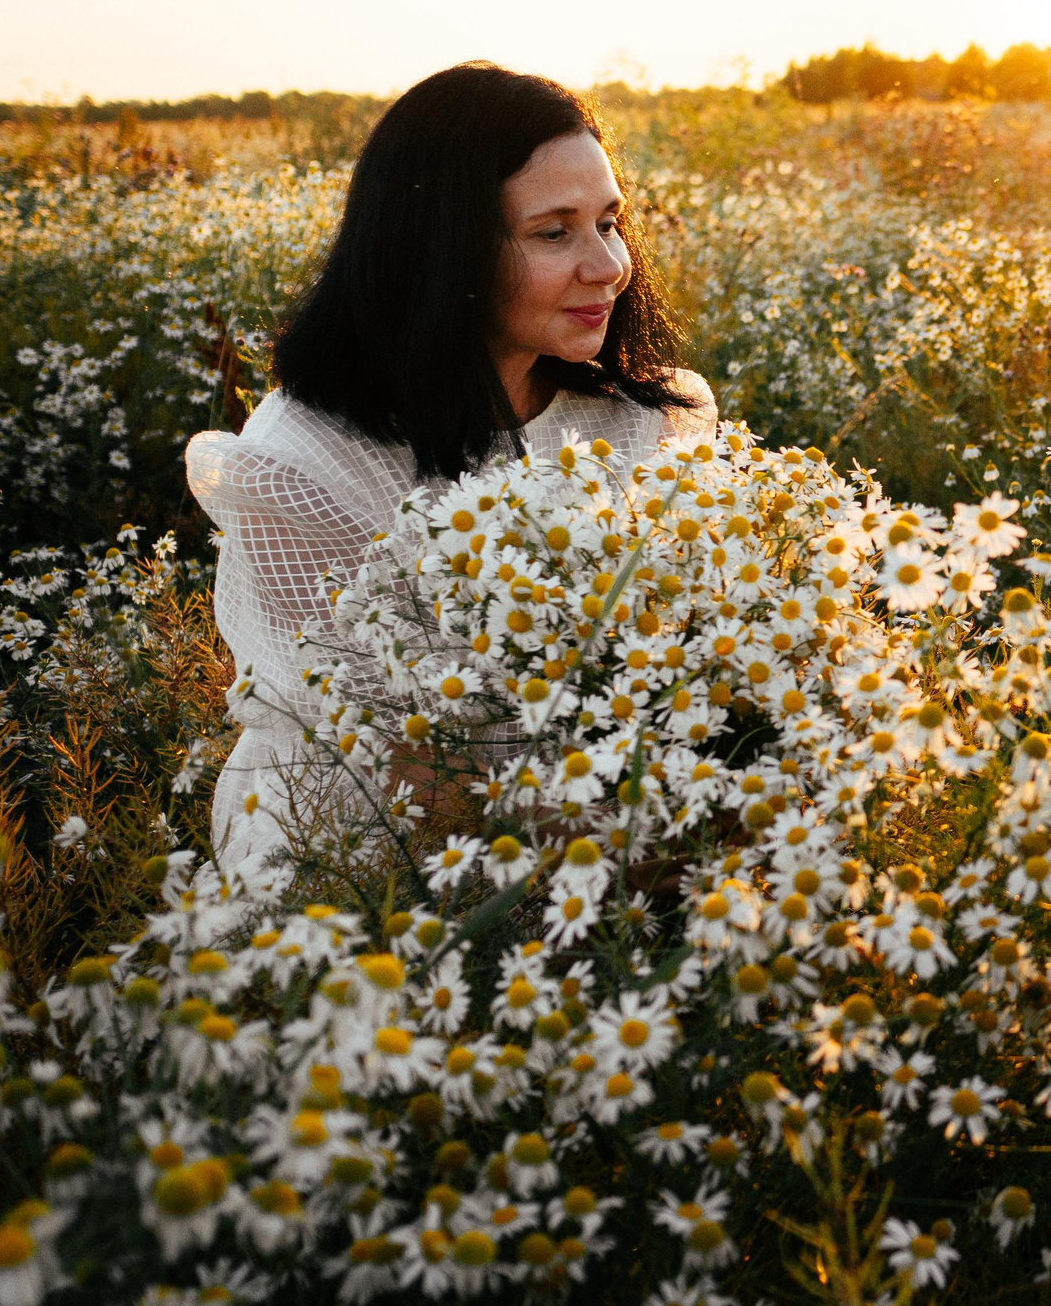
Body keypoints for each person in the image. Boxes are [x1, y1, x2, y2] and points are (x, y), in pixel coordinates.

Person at [186, 63, 716, 875]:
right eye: (554, 232)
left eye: (610, 222)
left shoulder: (645, 420)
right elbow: (407, 767)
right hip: (361, 859)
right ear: (445, 249)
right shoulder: (304, 460)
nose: (608, 265)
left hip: (618, 830)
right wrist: (649, 854)